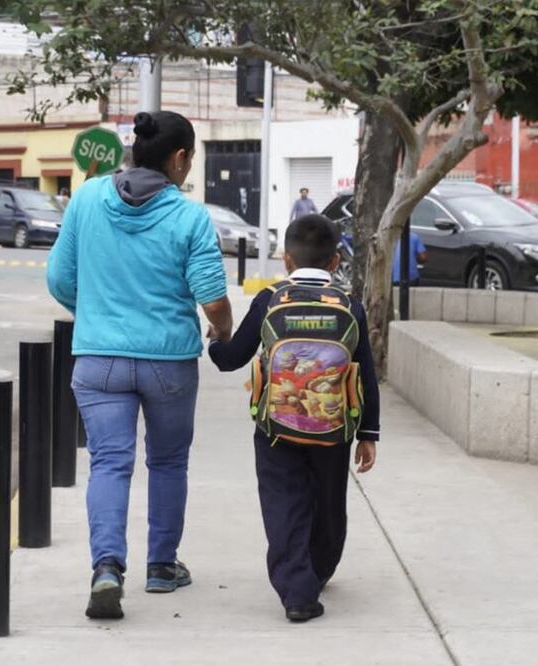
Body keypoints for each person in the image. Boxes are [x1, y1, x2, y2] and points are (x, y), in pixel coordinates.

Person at [47, 110, 233, 620]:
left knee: (108, 463)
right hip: (168, 363)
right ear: (178, 159)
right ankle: (161, 567)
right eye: (190, 159)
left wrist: (98, 312)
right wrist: (223, 329)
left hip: (97, 362)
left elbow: (59, 278)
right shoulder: (190, 217)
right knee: (168, 462)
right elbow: (213, 298)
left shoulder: (86, 198)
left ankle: (107, 568)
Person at [207, 214, 380, 623]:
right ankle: (317, 569)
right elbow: (366, 375)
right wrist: (368, 434)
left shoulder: (270, 301)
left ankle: (297, 589)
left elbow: (233, 359)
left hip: (275, 430)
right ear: (336, 261)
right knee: (328, 502)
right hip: (333, 430)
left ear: (286, 259)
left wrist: (215, 344)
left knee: (284, 503)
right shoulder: (350, 306)